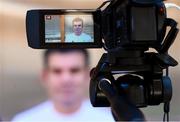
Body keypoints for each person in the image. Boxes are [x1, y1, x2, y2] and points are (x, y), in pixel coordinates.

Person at [12, 49, 114, 122]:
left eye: (74, 70)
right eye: (57, 71)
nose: (66, 79)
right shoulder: (23, 120)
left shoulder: (111, 119)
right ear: (44, 76)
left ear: (89, 75)